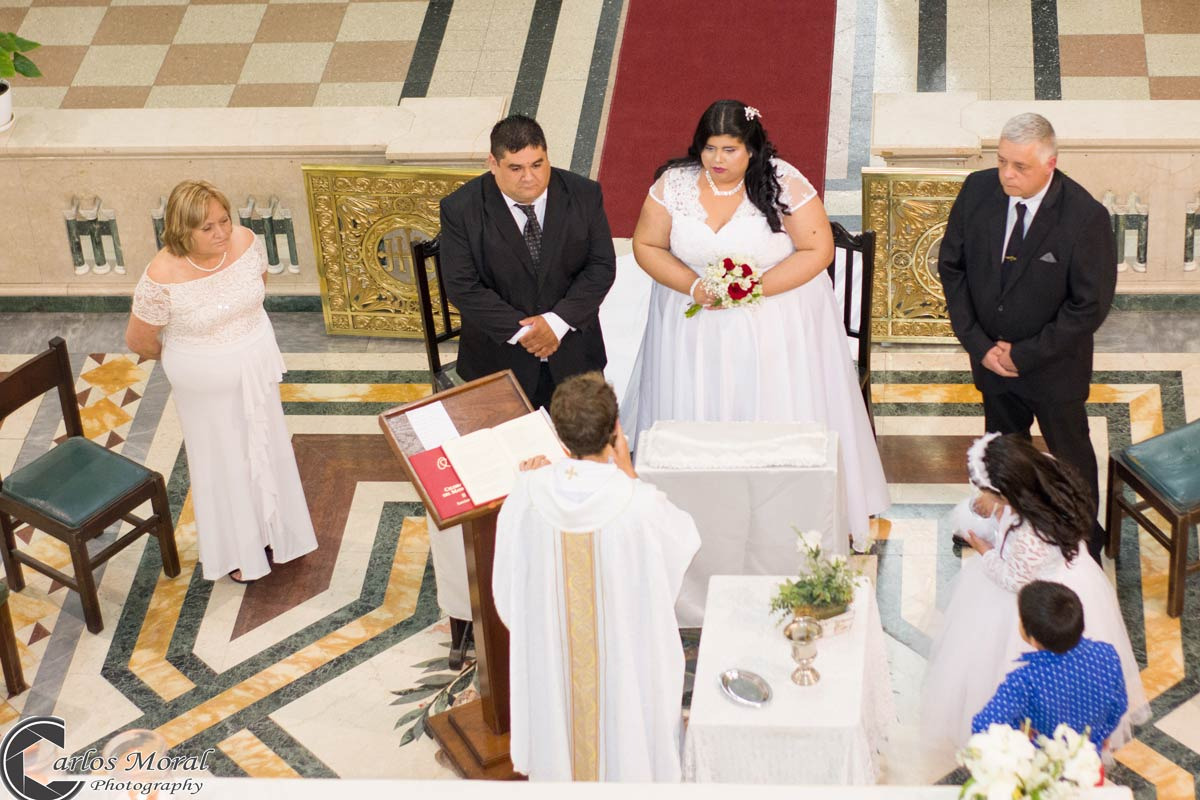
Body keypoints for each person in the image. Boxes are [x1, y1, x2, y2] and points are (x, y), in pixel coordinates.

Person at [625, 99, 889, 546]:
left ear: (752, 148)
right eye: (710, 148)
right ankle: (701, 517)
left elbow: (818, 250)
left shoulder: (784, 183)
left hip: (776, 327)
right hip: (694, 329)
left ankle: (781, 521)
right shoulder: (674, 185)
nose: (718, 160)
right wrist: (694, 286)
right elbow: (647, 245)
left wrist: (753, 288)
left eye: (730, 149)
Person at [493, 372, 700, 781]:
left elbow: (510, 586)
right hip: (624, 657)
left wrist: (528, 480)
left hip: (557, 661)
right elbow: (684, 539)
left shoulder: (528, 494)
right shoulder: (638, 502)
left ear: (560, 437)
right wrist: (630, 474)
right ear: (616, 430)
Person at [937, 113, 1117, 562]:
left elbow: (1089, 306)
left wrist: (1025, 355)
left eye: (1020, 166)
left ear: (1050, 163)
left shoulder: (1085, 217)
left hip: (1054, 369)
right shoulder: (977, 190)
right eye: (1002, 161)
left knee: (1071, 457)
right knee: (1002, 451)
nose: (1007, 175)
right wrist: (980, 346)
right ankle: (1001, 523)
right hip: (991, 363)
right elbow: (952, 268)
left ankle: (1084, 540)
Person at [125, 180, 317, 584]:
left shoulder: (246, 242)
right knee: (225, 460)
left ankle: (277, 528)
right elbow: (139, 340)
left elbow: (256, 290)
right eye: (207, 227)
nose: (222, 233)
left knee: (266, 445)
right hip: (204, 390)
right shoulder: (161, 276)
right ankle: (239, 548)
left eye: (224, 221)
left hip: (256, 367)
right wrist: (197, 358)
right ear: (182, 230)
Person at [921, 433, 1148, 752]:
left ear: (1007, 491)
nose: (980, 494)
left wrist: (984, 550)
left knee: (998, 667)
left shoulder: (1032, 535)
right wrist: (990, 505)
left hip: (1037, 594)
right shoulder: (1040, 472)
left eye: (987, 491)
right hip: (1052, 568)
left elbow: (1013, 579)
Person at [439, 114, 617, 409]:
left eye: (537, 164)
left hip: (574, 352)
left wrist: (555, 323)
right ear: (493, 163)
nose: (529, 177)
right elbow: (462, 285)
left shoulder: (584, 194)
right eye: (516, 168)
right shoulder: (460, 209)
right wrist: (526, 333)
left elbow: (601, 266)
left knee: (584, 436)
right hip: (497, 361)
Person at [972, 580, 1128, 753]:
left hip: (1041, 760)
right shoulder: (1107, 654)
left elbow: (983, 727)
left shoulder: (1024, 681)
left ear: (1033, 639)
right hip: (1087, 755)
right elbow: (1119, 705)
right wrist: (1101, 734)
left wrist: (1018, 733)